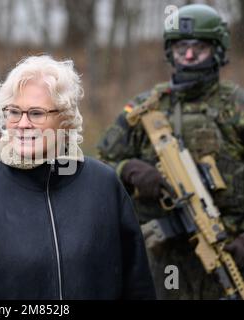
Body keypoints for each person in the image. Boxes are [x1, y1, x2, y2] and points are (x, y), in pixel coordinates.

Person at [0, 55, 156, 300]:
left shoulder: (104, 185)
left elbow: (138, 286)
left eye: (36, 113)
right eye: (14, 112)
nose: (22, 124)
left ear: (65, 118)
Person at [96, 4, 244, 299]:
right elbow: (99, 165)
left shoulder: (235, 106)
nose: (188, 56)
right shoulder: (144, 108)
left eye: (198, 48)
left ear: (216, 50)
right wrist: (130, 170)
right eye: (180, 48)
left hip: (230, 252)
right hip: (164, 261)